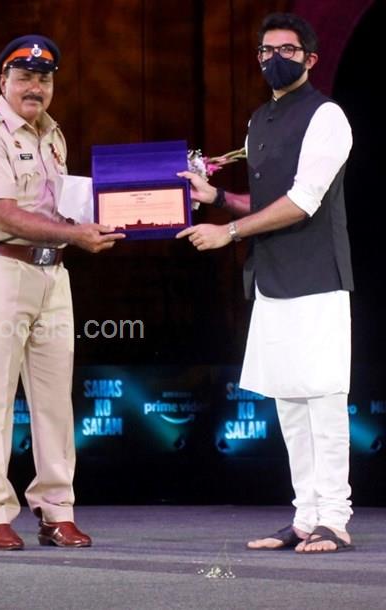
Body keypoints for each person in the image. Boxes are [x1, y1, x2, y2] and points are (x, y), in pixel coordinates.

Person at [177, 13, 354, 553]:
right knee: (289, 401)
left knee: (323, 398)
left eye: (287, 50)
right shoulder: (259, 119)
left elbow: (303, 201)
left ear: (310, 59)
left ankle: (335, 518)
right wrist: (217, 199)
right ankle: (305, 517)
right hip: (272, 277)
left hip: (318, 274)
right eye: (266, 50)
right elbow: (264, 202)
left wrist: (228, 232)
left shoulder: (327, 116)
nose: (275, 58)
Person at [0, 34, 123, 550]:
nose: (35, 87)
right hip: (0, 269)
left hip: (52, 274)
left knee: (54, 401)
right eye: (24, 77)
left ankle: (56, 510)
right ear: (3, 82)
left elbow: (60, 207)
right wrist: (76, 235)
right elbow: (4, 212)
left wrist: (96, 221)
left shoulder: (53, 134)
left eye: (44, 79)